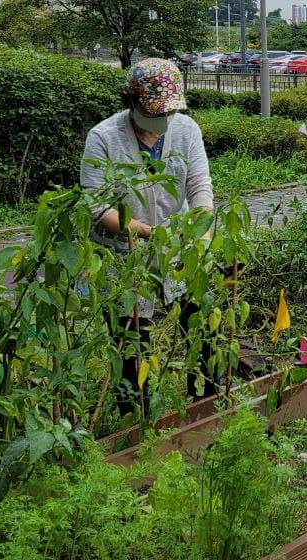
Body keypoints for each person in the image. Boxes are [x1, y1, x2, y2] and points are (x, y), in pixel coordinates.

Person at [80, 58, 215, 411]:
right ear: (132, 102)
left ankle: (207, 396)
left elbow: (199, 184)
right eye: (153, 112)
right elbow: (97, 205)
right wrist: (140, 230)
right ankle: (135, 415)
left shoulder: (186, 130)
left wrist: (200, 230)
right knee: (130, 338)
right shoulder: (103, 138)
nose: (161, 121)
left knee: (199, 321)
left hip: (177, 243)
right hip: (122, 252)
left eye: (167, 113)